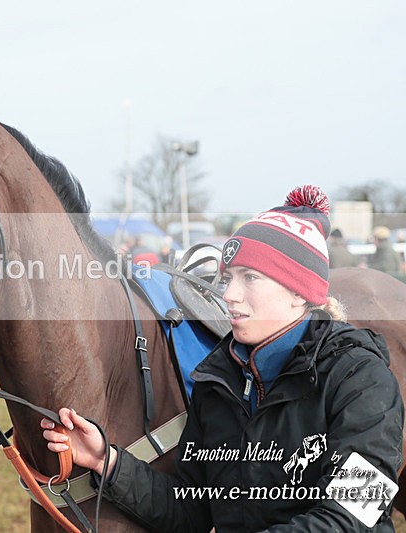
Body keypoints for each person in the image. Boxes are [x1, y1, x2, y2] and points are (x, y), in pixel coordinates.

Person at [42, 185, 403, 531]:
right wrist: (107, 460)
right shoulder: (218, 381)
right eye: (228, 277)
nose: (228, 293)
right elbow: (190, 509)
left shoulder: (362, 378)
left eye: (249, 277)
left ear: (298, 293)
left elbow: (357, 515)